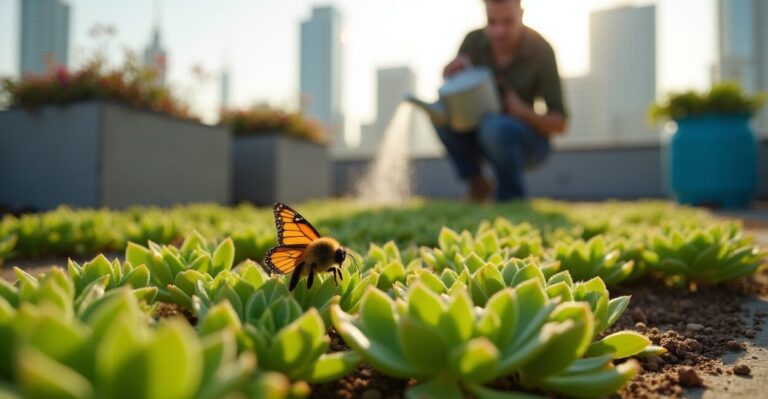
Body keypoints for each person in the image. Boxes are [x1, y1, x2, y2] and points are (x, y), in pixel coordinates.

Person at [438, 0, 568, 202]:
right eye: (492, 22)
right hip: (478, 134)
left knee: (494, 127)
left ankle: (510, 196)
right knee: (440, 114)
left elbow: (560, 123)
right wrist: (448, 74)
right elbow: (455, 94)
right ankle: (477, 185)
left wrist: (521, 111)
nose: (499, 31)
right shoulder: (472, 42)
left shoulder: (541, 50)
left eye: (508, 22)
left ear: (521, 14)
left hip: (528, 141)